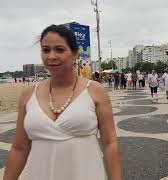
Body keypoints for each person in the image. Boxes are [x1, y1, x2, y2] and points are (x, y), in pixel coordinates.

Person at [4, 24, 122, 180]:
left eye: (59, 49)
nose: (51, 56)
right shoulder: (28, 94)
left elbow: (110, 143)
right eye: (45, 50)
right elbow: (19, 148)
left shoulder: (95, 90)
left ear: (75, 54)